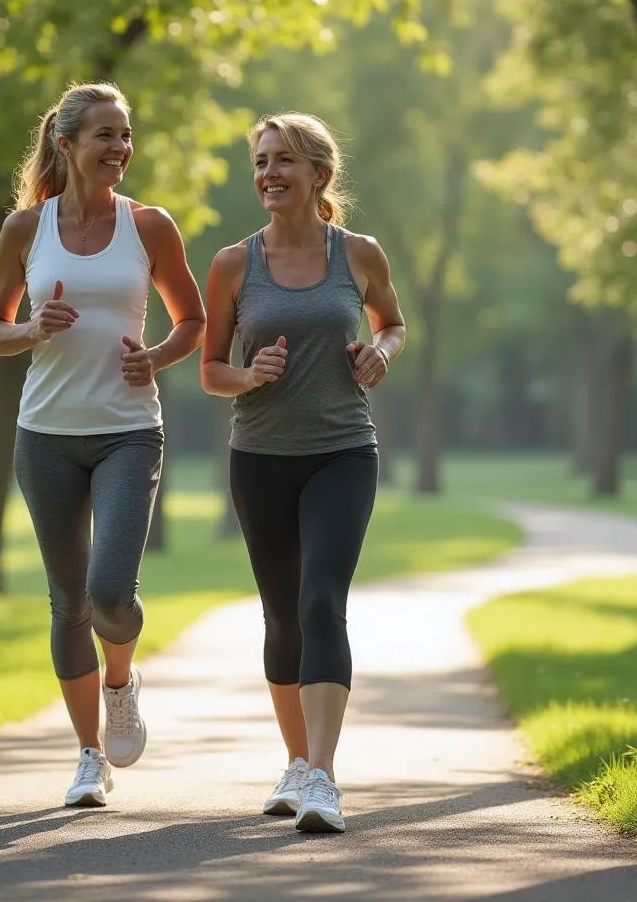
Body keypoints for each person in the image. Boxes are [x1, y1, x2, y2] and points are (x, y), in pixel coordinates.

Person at [0, 82, 205, 807]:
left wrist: (157, 359)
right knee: (67, 602)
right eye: (106, 135)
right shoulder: (25, 229)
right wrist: (31, 329)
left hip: (128, 430)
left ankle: (120, 684)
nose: (121, 148)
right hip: (45, 435)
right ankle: (87, 757)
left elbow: (193, 320)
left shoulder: (151, 226)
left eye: (126, 135)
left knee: (111, 593)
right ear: (66, 143)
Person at [200, 113, 406, 832]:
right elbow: (209, 372)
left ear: (319, 173)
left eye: (283, 160)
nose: (268, 174)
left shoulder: (358, 253)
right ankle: (296, 762)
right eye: (260, 161)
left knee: (322, 600)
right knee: (282, 612)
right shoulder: (233, 264)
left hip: (343, 451)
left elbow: (393, 322)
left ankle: (323, 777)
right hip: (259, 460)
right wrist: (247, 375)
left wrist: (382, 351)